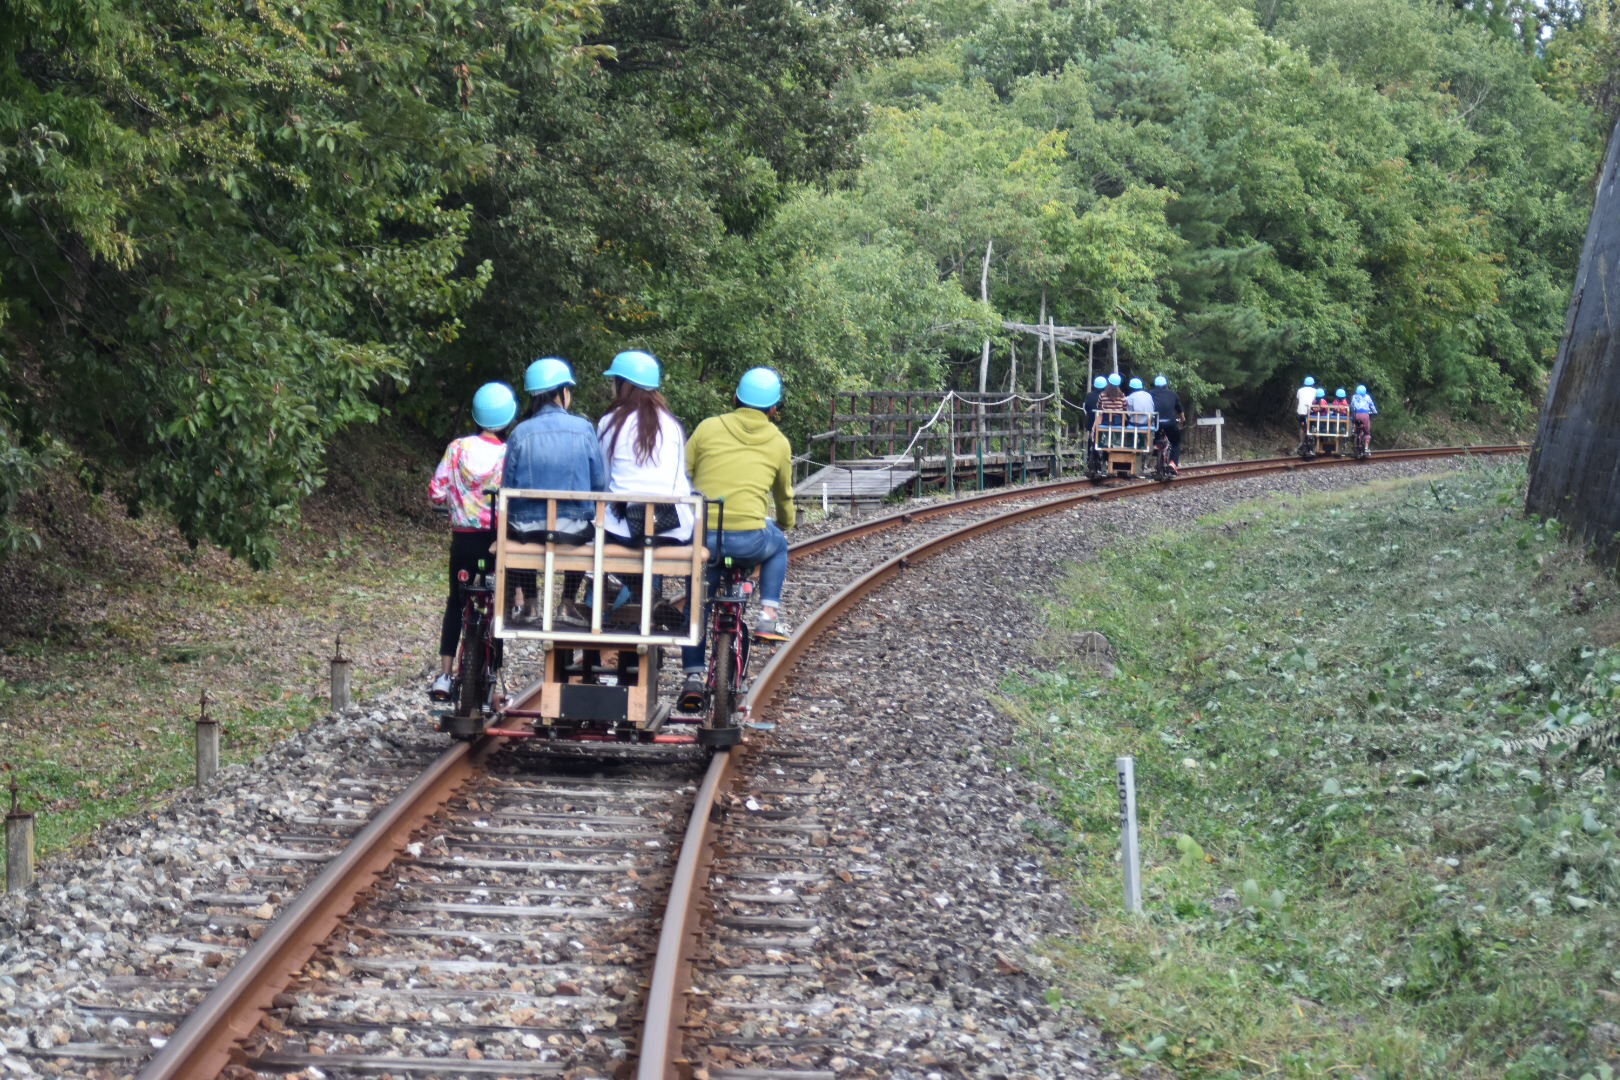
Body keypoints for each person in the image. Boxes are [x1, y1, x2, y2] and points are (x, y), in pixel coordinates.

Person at [678, 367, 795, 709]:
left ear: (736, 397)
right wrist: (785, 522)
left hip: (705, 542)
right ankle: (768, 616)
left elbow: (682, 473)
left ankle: (693, 677)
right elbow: (784, 497)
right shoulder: (778, 442)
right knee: (779, 545)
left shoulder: (708, 427)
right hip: (749, 541)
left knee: (697, 604)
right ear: (774, 408)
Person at [427, 381, 516, 701]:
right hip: (494, 542)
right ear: (508, 417)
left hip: (462, 540)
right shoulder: (509, 453)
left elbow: (436, 492)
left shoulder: (457, 449)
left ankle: (445, 674)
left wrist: (452, 503)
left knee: (456, 601)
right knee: (498, 605)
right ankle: (494, 675)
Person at [597, 349, 696, 631]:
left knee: (598, 539)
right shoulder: (672, 426)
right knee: (652, 542)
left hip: (624, 531)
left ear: (623, 385)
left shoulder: (609, 423)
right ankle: (651, 601)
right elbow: (679, 483)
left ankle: (645, 598)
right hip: (670, 530)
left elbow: (604, 482)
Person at [504, 357, 607, 537]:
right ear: (562, 392)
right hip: (575, 525)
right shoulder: (583, 429)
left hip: (526, 527)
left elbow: (507, 484)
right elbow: (598, 482)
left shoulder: (519, 433)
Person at [1149, 375, 1185, 465]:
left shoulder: (1150, 393)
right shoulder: (1173, 394)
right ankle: (1173, 464)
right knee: (1176, 443)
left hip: (1156, 423)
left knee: (1155, 438)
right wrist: (1183, 420)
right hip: (1170, 423)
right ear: (1166, 384)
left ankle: (1156, 448)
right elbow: (1179, 410)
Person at [1351, 383, 1378, 449]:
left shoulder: (1354, 397)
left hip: (1356, 415)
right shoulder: (1367, 397)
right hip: (1365, 416)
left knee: (1356, 428)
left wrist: (1353, 412)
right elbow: (1371, 405)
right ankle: (1366, 447)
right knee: (1367, 432)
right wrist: (1375, 412)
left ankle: (1354, 431)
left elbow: (1352, 406)